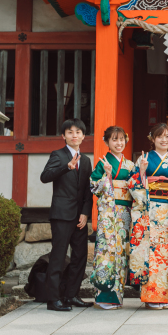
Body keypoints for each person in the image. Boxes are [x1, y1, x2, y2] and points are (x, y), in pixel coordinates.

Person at [128, 123, 168, 310]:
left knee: (166, 253)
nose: (164, 139)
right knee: (150, 252)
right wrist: (143, 172)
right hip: (149, 210)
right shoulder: (144, 159)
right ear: (152, 139)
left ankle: (164, 296)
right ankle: (151, 297)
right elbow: (133, 182)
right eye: (160, 136)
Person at [39, 118, 94, 312]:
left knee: (80, 257)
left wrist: (86, 213)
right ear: (64, 136)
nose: (74, 135)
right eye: (70, 132)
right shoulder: (58, 155)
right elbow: (44, 177)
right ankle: (53, 299)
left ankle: (71, 295)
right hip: (62, 216)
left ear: (83, 136)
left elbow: (89, 191)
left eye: (78, 132)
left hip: (80, 218)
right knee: (58, 256)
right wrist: (66, 167)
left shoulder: (86, 160)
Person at [89, 126, 136, 309]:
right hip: (108, 214)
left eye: (122, 139)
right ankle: (104, 296)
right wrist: (107, 175)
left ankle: (117, 296)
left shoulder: (130, 165)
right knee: (106, 252)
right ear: (106, 142)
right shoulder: (102, 163)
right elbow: (93, 185)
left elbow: (136, 188)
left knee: (121, 253)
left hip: (125, 214)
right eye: (114, 140)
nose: (119, 143)